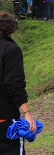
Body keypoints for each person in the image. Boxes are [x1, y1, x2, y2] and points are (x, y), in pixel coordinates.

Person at [0, 11, 38, 154]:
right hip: (5, 123)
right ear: (12, 30)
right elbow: (14, 84)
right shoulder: (10, 50)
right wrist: (27, 113)